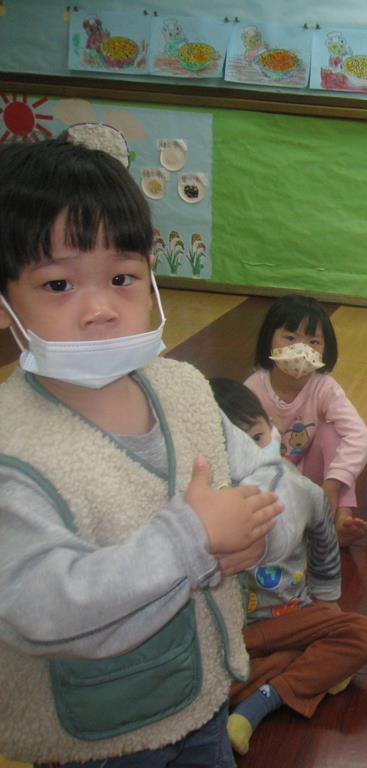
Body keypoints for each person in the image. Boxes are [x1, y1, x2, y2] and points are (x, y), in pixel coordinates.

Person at [0, 134, 310, 766]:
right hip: (98, 738)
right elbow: (41, 609)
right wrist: (191, 539)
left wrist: (260, 534)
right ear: (6, 307)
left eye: (122, 278)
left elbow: (278, 480)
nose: (100, 309)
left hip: (205, 698)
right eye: (58, 284)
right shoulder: (13, 448)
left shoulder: (184, 388)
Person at [208, 378, 367, 754]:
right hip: (237, 635)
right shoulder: (204, 502)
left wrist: (326, 600)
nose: (249, 454)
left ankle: (256, 705)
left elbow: (324, 540)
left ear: (271, 429)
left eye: (256, 437)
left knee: (364, 633)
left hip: (296, 619)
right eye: (229, 448)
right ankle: (312, 672)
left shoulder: (298, 488)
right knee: (205, 681)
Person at [245, 295, 367, 544]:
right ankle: (300, 523)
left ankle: (340, 518)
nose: (301, 350)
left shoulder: (324, 388)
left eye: (313, 342)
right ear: (269, 338)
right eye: (290, 338)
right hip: (268, 479)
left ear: (326, 349)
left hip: (313, 481)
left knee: (333, 434)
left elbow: (360, 437)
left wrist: (332, 485)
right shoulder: (253, 388)